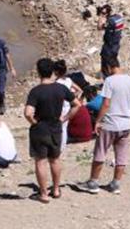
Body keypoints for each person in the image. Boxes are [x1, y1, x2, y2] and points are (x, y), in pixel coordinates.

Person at [78, 57, 130, 195]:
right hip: (126, 123)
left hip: (110, 123)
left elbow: (106, 103)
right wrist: (129, 112)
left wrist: (98, 121)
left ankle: (93, 182)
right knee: (121, 155)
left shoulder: (110, 81)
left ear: (108, 67)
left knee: (100, 152)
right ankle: (115, 183)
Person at [24, 58, 75, 203]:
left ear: (38, 72)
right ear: (52, 71)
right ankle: (56, 189)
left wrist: (34, 122)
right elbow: (76, 104)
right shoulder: (61, 88)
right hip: (55, 127)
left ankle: (44, 193)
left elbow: (28, 113)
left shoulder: (36, 91)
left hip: (40, 129)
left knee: (41, 161)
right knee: (55, 159)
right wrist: (64, 118)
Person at [54, 59, 75, 151]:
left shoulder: (57, 83)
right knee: (64, 127)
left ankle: (59, 146)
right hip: (68, 106)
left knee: (58, 127)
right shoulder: (68, 80)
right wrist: (74, 97)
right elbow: (79, 90)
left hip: (59, 107)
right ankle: (62, 146)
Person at [97, 5, 125, 73]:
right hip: (116, 45)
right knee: (114, 63)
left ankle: (107, 78)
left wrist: (101, 17)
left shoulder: (110, 21)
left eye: (104, 13)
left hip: (109, 46)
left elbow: (99, 27)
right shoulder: (118, 18)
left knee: (106, 65)